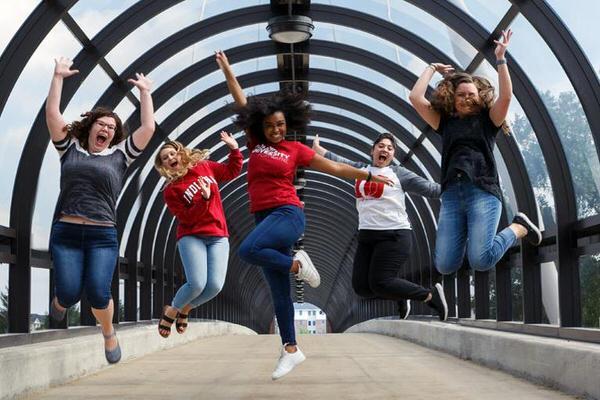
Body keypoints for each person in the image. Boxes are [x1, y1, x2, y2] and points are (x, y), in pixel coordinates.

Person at [215, 50, 394, 380]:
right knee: (278, 294)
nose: (276, 130)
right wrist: (228, 70)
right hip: (262, 218)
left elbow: (336, 167)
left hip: (288, 213)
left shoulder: (295, 151)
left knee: (247, 250)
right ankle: (291, 350)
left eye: (281, 125)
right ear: (262, 127)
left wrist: (367, 175)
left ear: (289, 124)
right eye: (270, 125)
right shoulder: (254, 142)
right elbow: (242, 103)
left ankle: (298, 263)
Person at [46, 57, 155, 364]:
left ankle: (108, 334)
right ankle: (60, 301)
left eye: (112, 127)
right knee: (67, 293)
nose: (106, 129)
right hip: (66, 232)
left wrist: (144, 92)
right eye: (102, 124)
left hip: (102, 235)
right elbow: (53, 115)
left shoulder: (120, 157)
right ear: (91, 126)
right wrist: (57, 77)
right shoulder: (69, 150)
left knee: (97, 292)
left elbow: (148, 127)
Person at [408, 29, 541, 277]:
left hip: (482, 190)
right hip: (451, 195)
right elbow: (415, 97)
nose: (466, 98)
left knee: (481, 260)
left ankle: (517, 228)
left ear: (479, 96)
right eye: (461, 95)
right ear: (453, 98)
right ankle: (472, 232)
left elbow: (507, 96)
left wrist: (501, 59)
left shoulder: (489, 120)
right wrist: (431, 68)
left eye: (471, 94)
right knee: (445, 266)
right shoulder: (444, 122)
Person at [313, 133, 448, 321]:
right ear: (373, 150)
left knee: (380, 282)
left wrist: (459, 188)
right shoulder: (360, 170)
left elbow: (431, 189)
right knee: (362, 287)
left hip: (394, 234)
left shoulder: (398, 174)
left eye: (390, 148)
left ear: (392, 155)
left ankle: (430, 295)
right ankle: (401, 295)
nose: (385, 149)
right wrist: (318, 149)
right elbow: (338, 161)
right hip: (367, 237)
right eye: (381, 146)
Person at [153, 132, 242, 338]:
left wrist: (234, 149)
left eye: (172, 154)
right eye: (165, 159)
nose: (170, 159)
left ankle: (186, 308)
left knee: (215, 286)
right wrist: (204, 198)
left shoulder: (204, 167)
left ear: (181, 153)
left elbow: (231, 171)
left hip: (218, 234)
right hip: (191, 235)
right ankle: (173, 310)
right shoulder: (171, 191)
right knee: (197, 283)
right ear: (164, 167)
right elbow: (186, 218)